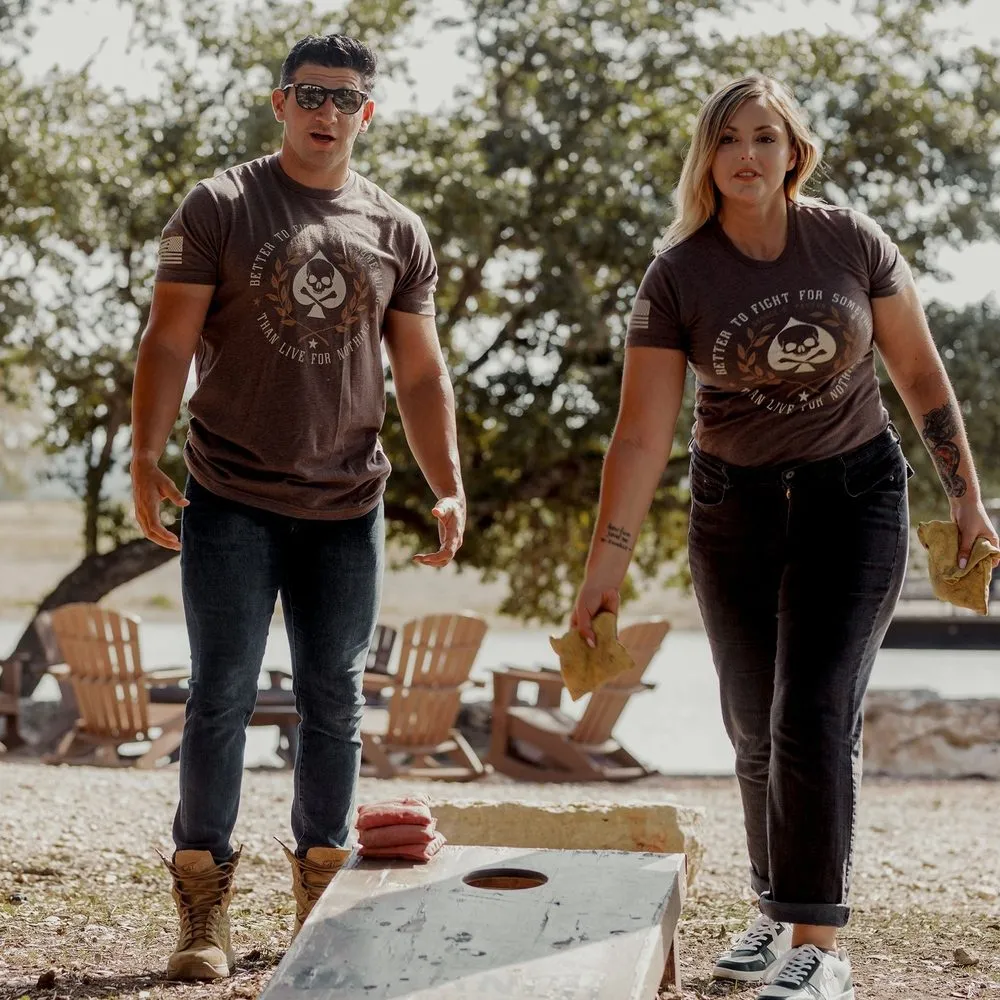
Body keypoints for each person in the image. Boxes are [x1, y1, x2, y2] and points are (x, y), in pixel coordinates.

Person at [571, 75, 999, 1000]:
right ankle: (776, 914)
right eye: (730, 140)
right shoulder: (679, 273)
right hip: (736, 507)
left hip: (855, 495)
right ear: (708, 159)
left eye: (766, 137)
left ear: (793, 150)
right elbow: (642, 433)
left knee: (811, 711)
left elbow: (920, 375)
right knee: (755, 729)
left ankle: (821, 942)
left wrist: (966, 498)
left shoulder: (849, 241)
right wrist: (605, 567)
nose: (749, 156)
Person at [130, 33, 465, 981]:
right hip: (229, 494)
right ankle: (203, 909)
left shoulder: (398, 230)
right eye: (309, 94)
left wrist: (447, 482)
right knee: (219, 700)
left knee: (335, 707)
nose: (327, 111)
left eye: (345, 97)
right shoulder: (220, 205)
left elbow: (423, 372)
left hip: (347, 505)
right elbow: (166, 342)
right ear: (279, 104)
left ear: (369, 113)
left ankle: (323, 902)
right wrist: (144, 454)